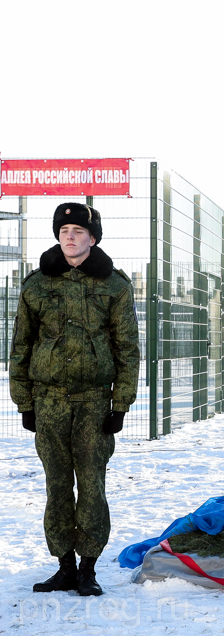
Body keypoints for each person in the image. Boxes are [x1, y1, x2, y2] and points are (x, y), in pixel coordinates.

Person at [11, 202, 140, 597]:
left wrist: (121, 405)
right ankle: (64, 566)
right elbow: (20, 346)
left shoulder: (114, 286)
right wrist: (24, 402)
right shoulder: (36, 285)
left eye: (79, 231)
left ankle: (88, 567)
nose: (70, 237)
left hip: (93, 403)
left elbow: (127, 348)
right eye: (64, 230)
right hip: (48, 401)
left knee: (92, 484)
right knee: (56, 486)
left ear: (93, 238)